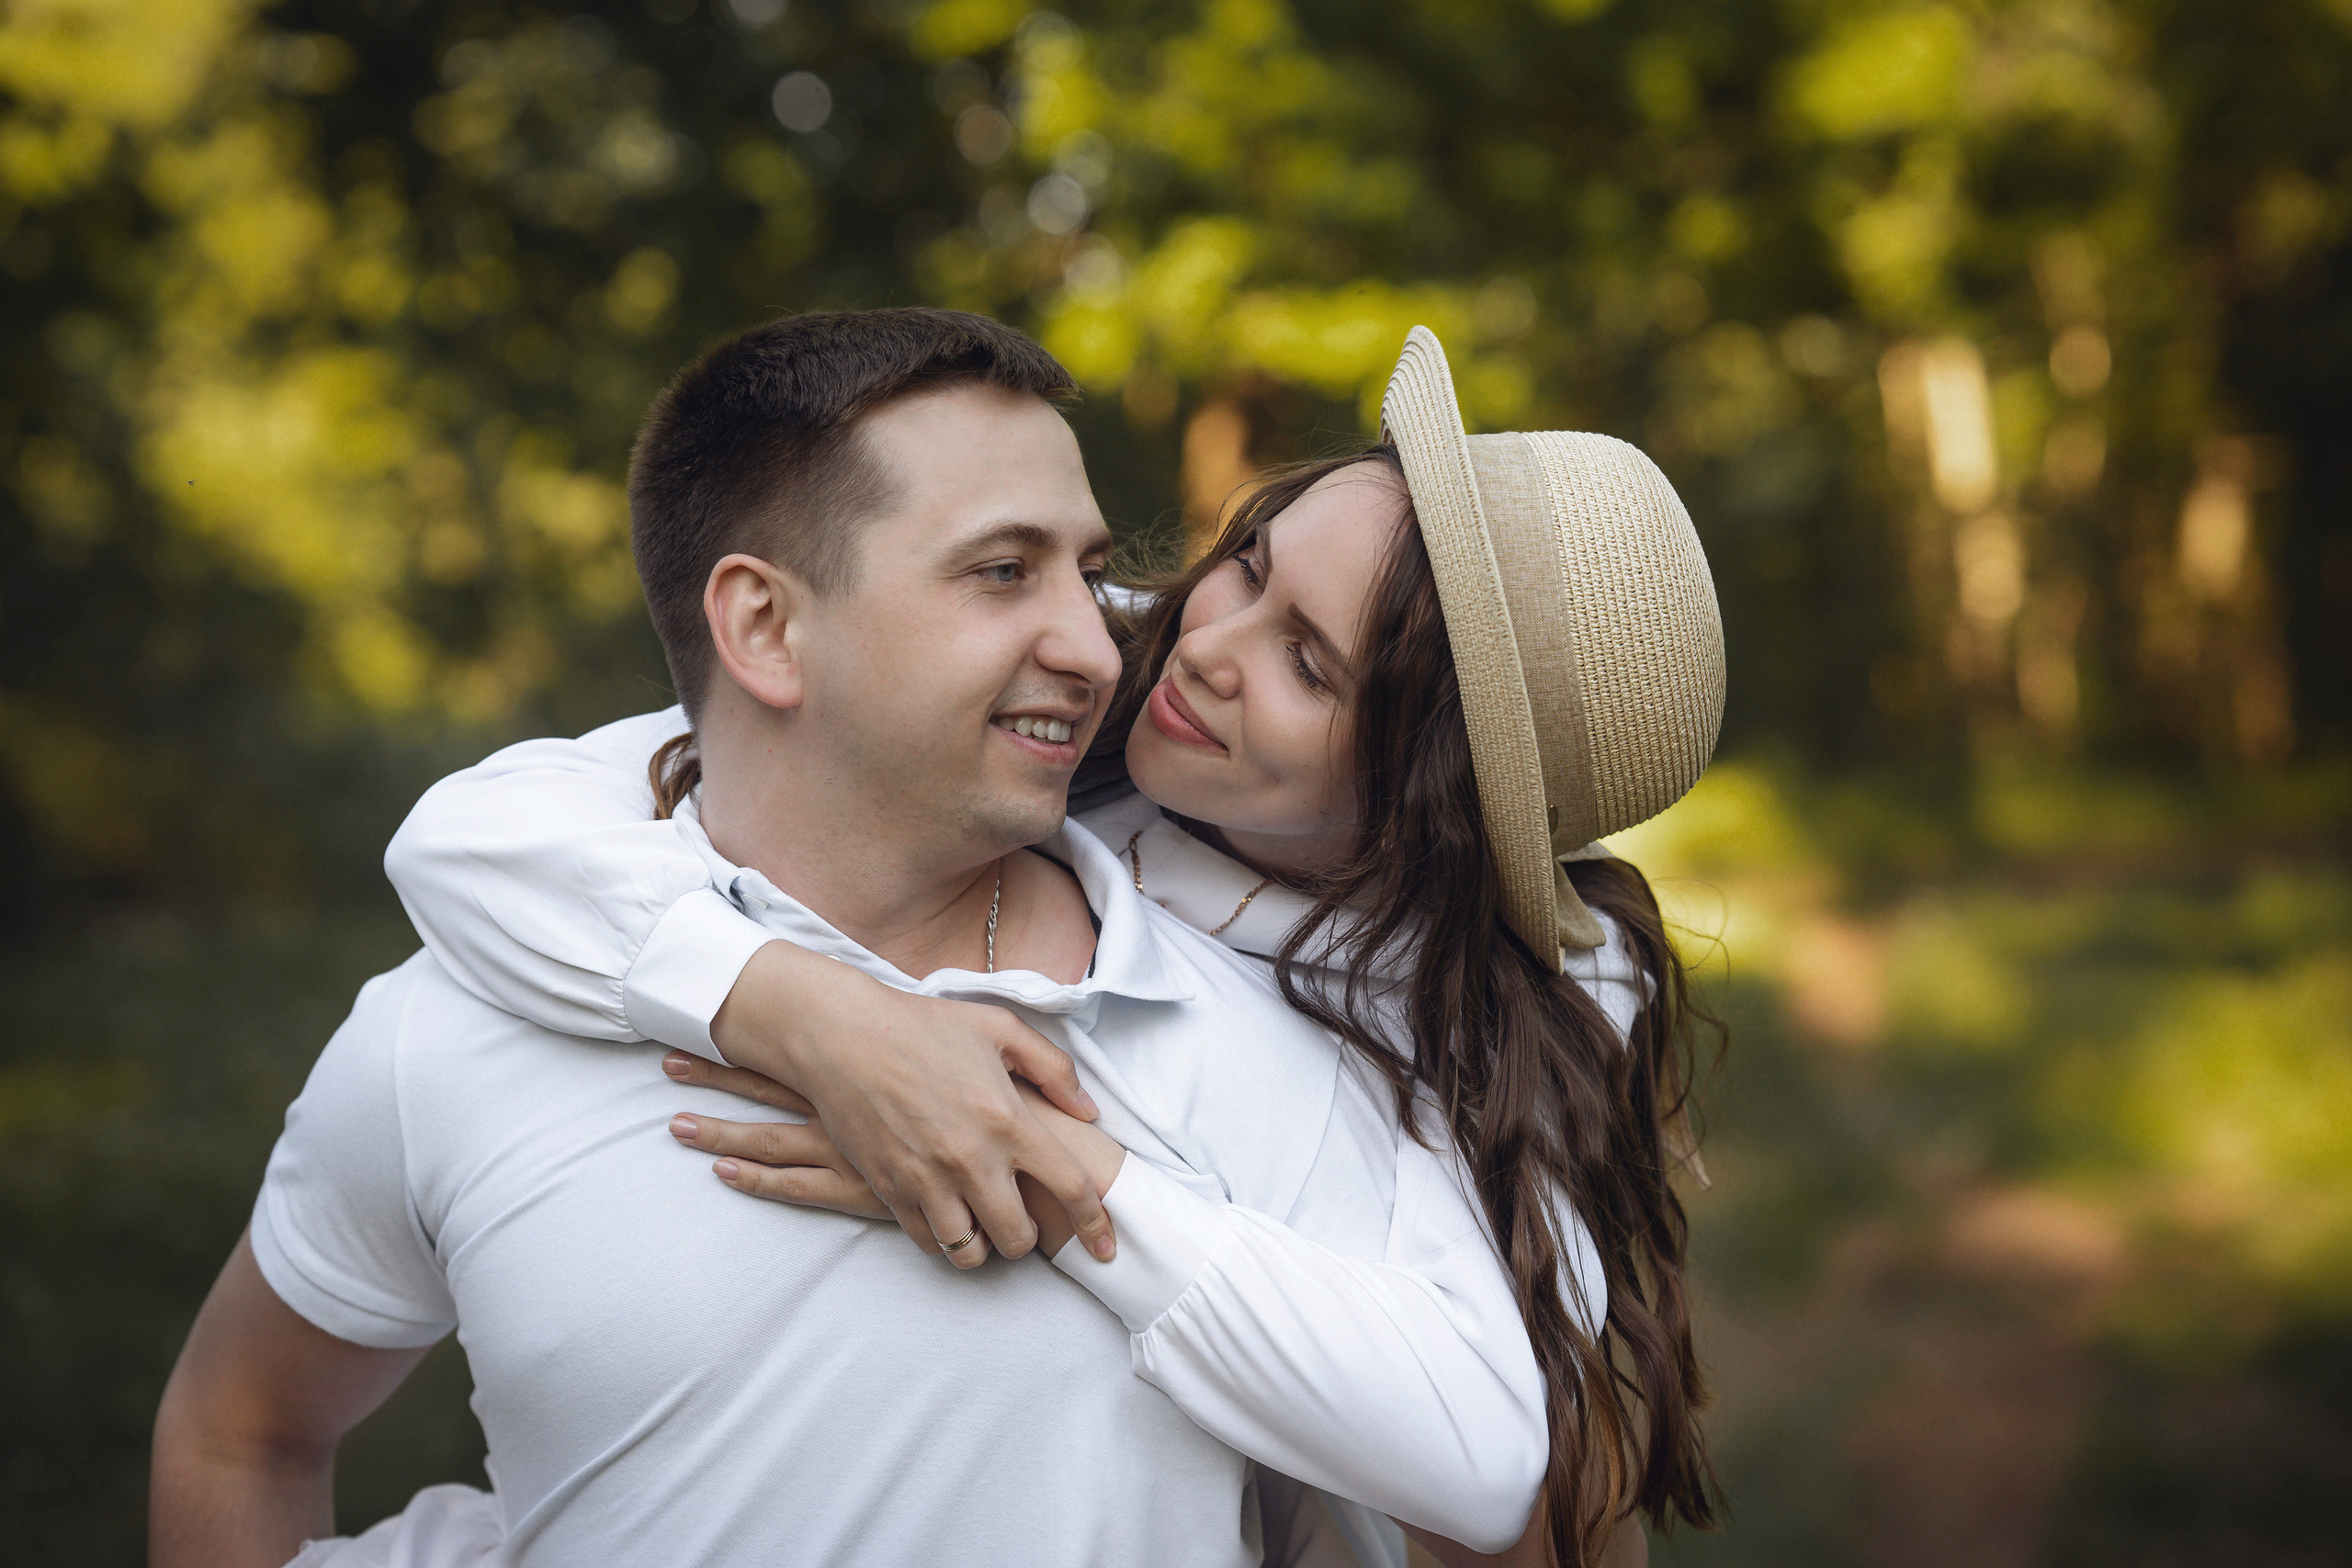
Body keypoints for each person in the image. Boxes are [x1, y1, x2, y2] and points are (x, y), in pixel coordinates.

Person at [148, 309, 1634, 1568]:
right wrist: (815, 1019)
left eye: (1310, 663)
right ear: (765, 629)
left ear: (1416, 809)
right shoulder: (471, 1007)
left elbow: (1492, 1460)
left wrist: (1035, 1156)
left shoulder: (1356, 1066)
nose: (1149, 640)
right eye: (1243, 565)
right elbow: (465, 834)